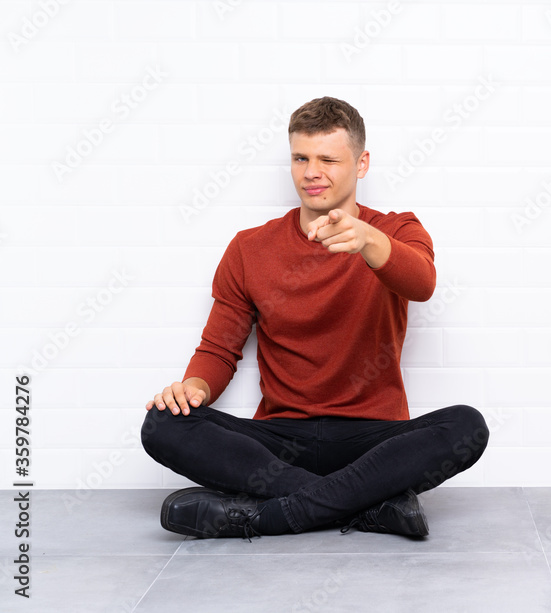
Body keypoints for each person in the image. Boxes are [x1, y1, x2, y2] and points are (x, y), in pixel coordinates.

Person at [141, 96, 488, 540]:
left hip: (373, 443)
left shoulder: (395, 231)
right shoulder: (249, 248)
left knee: (466, 425)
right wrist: (193, 388)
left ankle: (266, 517)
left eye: (328, 159)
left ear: (361, 164)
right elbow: (219, 350)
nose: (311, 172)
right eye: (301, 158)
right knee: (163, 422)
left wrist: (368, 241)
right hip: (280, 444)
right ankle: (369, 507)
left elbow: (422, 283)